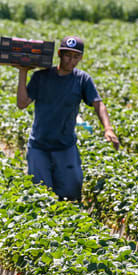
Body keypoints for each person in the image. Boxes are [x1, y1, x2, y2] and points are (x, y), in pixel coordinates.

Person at [15, 36, 120, 202]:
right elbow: (22, 104)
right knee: (41, 197)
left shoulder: (82, 79)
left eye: (76, 57)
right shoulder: (41, 77)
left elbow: (98, 104)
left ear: (81, 58)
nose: (71, 60)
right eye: (68, 56)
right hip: (39, 146)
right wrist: (23, 72)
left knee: (72, 192)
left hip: (65, 146)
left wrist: (108, 128)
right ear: (59, 54)